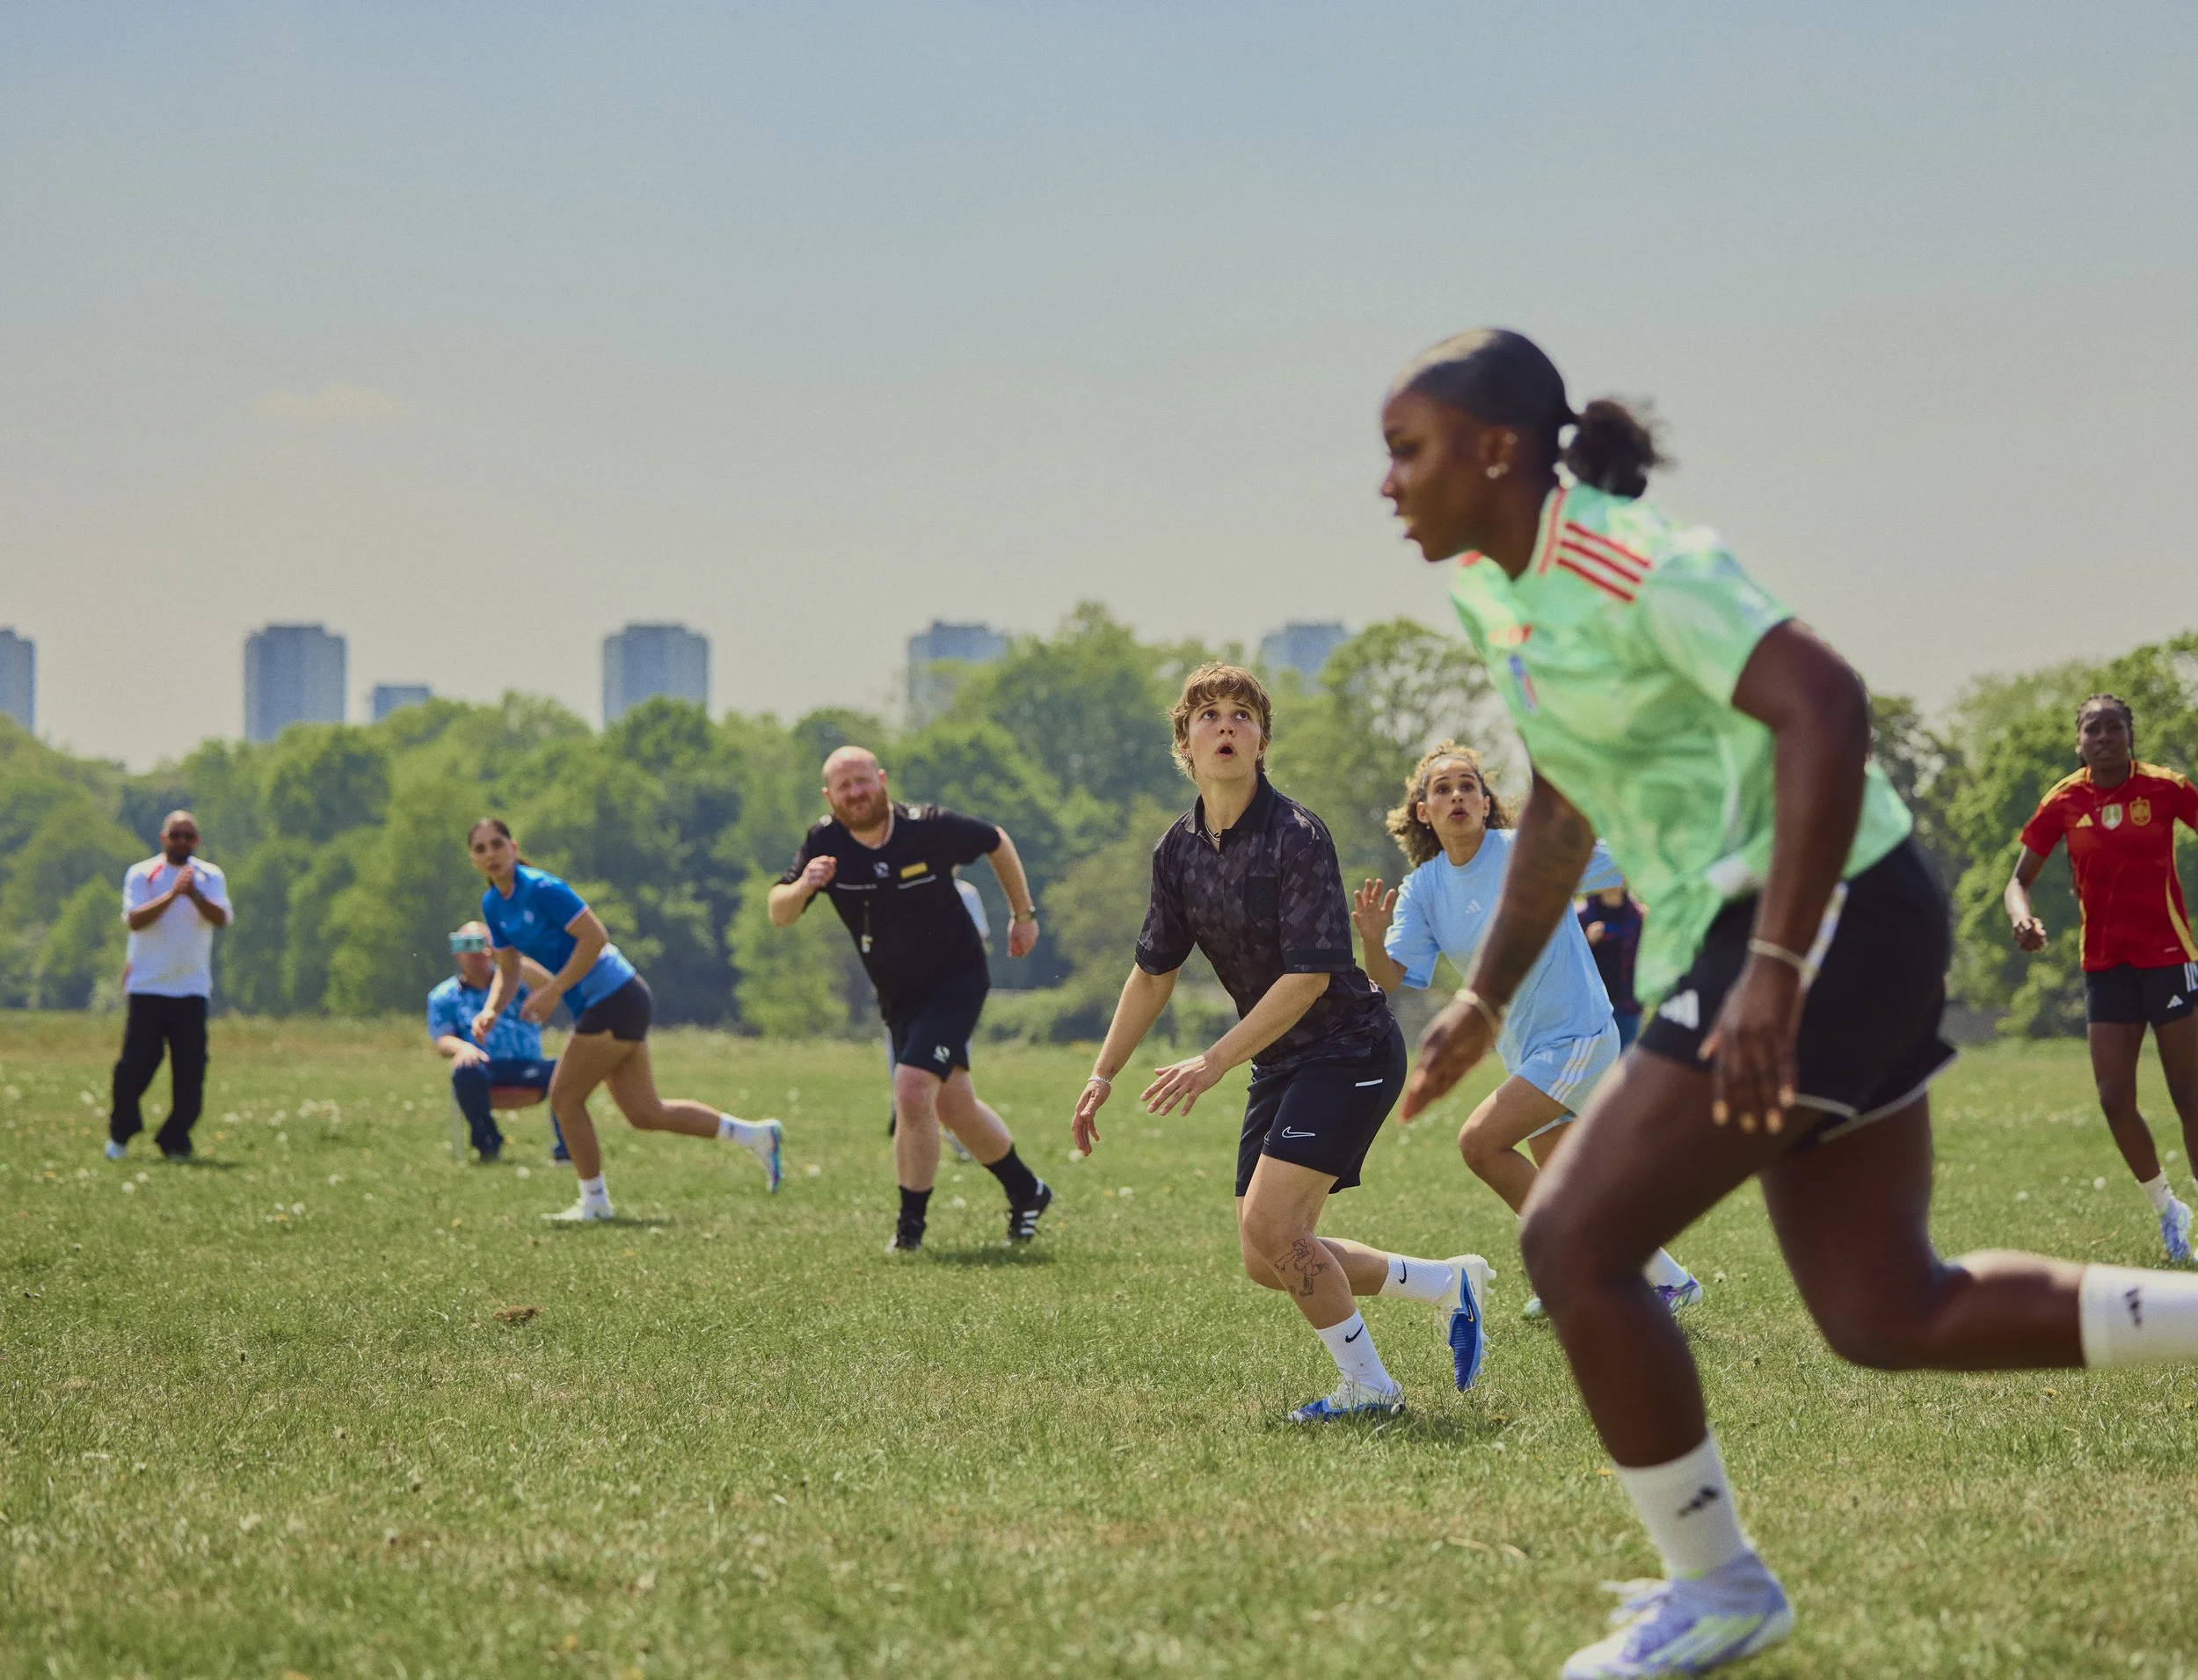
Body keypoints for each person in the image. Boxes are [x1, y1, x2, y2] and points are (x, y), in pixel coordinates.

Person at [1381, 327, 2198, 1678]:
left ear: (1497, 451)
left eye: (1407, 450)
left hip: (1822, 922)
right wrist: (1484, 991)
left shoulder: (1634, 562)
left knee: (1574, 1238)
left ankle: (1718, 1586)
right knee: (1888, 1309)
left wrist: (1773, 959)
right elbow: (1572, 794)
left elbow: (1824, 700)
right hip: (1787, 932)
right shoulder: (1497, 592)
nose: (1390, 483)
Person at [1072, 665, 1493, 1423]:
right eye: (1208, 716)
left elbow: (1308, 978)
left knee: (1276, 1228)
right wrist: (1103, 1072)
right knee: (1266, 1258)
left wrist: (1213, 1060)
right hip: (1280, 1060)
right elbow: (1152, 972)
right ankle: (1445, 1283)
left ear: (1262, 740)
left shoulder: (1296, 836)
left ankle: (1371, 1389)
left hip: (1350, 1049)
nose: (1224, 726)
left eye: (1241, 715)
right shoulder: (1177, 851)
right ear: (1185, 744)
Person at [1350, 742, 1699, 1320]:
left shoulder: (1527, 852)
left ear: (1486, 803)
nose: (1457, 795)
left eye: (1468, 785)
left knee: (1480, 1143)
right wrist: (1371, 935)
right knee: (1567, 1185)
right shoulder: (1424, 889)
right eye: (1442, 788)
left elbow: (1634, 857)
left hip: (1579, 1035)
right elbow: (1386, 979)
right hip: (1527, 1050)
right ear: (1423, 811)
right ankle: (1668, 1280)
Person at [768, 746, 1052, 1253]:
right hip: (899, 998)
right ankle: (1027, 1191)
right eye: (844, 787)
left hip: (957, 981)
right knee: (955, 1107)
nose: (856, 793)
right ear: (829, 797)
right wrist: (803, 886)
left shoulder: (927, 827)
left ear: (881, 780)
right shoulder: (824, 842)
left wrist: (1023, 915)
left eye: (863, 781)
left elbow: (996, 841)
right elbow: (780, 913)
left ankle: (910, 1233)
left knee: (913, 1090)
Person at [467, 818, 782, 1221]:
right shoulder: (493, 904)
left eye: (497, 844)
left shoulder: (542, 888)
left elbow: (595, 937)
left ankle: (595, 1203)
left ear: (513, 846)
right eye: (480, 849)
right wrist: (491, 1009)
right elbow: (509, 969)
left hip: (617, 997)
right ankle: (757, 1136)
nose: (490, 854)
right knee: (646, 1112)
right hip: (610, 1003)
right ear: (473, 859)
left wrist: (554, 989)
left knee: (564, 1098)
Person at [2007, 695, 2198, 1263]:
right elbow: (2018, 879)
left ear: (2131, 735)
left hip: (2168, 956)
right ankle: (2168, 1209)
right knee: (2114, 1098)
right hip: (2105, 964)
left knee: (2190, 1094)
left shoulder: (2165, 787)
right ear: (2079, 740)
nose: (2105, 736)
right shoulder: (2064, 799)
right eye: (2094, 728)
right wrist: (2022, 916)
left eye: (2115, 726)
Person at [106, 811, 231, 1162]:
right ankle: (121, 1133)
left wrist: (194, 895)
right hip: (147, 986)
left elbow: (221, 918)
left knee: (192, 1068)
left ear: (197, 840)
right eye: (175, 835)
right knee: (137, 1064)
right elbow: (134, 920)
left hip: (191, 988)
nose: (182, 842)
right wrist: (173, 894)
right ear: (163, 838)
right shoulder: (143, 874)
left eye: (188, 836)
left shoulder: (210, 876)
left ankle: (175, 1138)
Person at [426, 922, 569, 1165]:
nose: (475, 953)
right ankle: (488, 1143)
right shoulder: (443, 996)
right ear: (456, 951)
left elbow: (550, 986)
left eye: (481, 944)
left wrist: (508, 957)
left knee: (566, 1071)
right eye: (467, 945)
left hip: (528, 1067)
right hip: (483, 1067)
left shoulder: (518, 982)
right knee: (465, 1072)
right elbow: (442, 1040)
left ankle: (567, 1150)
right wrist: (463, 1048)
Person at [1580, 883, 1644, 1050]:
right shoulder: (1582, 916)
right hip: (1591, 1008)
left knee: (1624, 1068)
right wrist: (1587, 941)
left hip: (1627, 1005)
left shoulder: (1639, 916)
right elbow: (1569, 962)